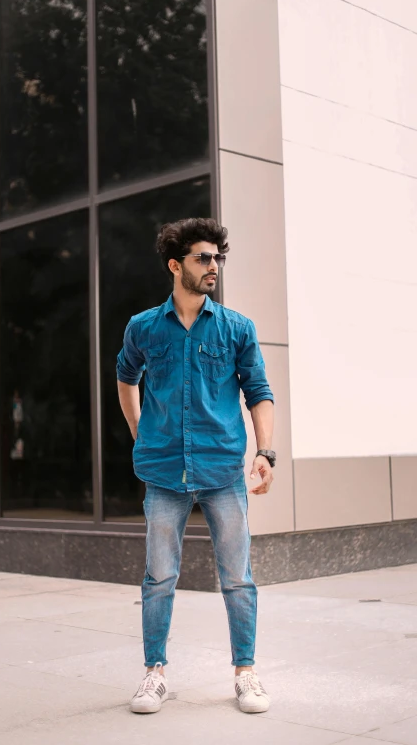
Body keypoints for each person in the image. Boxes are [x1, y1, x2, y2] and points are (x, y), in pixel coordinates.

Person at [116, 217, 276, 715]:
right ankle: (154, 673)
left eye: (218, 258)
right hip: (164, 474)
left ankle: (246, 674)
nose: (214, 267)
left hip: (223, 470)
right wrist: (142, 433)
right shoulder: (143, 327)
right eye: (203, 258)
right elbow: (126, 378)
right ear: (175, 265)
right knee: (159, 577)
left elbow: (259, 394)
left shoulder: (236, 328)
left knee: (237, 578)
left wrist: (264, 451)